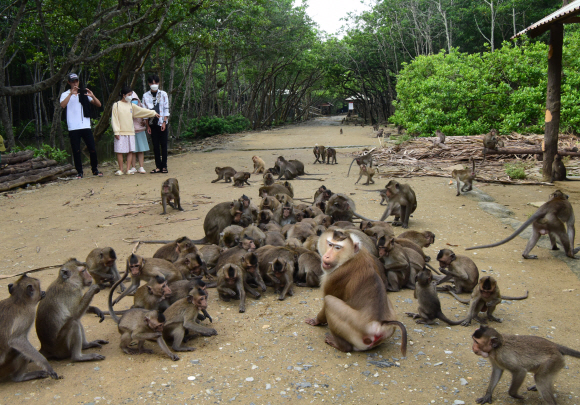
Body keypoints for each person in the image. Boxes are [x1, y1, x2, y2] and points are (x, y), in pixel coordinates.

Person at [59, 73, 102, 179]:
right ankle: (79, 172)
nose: (75, 83)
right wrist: (71, 94)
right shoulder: (65, 94)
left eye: (76, 81)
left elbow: (98, 104)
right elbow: (62, 105)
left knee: (92, 148)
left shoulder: (84, 93)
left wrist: (92, 96)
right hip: (73, 127)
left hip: (86, 125)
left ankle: (95, 169)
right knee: (76, 150)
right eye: (72, 81)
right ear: (69, 82)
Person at [111, 86, 159, 175]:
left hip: (130, 131)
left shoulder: (131, 105)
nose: (130, 97)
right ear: (124, 95)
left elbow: (141, 111)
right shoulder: (116, 105)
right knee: (119, 151)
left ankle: (128, 169)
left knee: (130, 151)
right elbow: (114, 119)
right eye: (129, 95)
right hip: (120, 131)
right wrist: (116, 131)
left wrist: (153, 113)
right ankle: (120, 169)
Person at [142, 74, 170, 174]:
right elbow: (144, 112)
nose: (154, 85)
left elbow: (166, 109)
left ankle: (164, 166)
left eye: (156, 83)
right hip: (152, 123)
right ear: (149, 84)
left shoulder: (163, 94)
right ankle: (158, 166)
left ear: (158, 83)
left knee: (164, 145)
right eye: (152, 83)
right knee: (155, 145)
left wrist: (164, 122)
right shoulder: (145, 96)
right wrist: (147, 126)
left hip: (162, 123)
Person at [128, 91, 150, 174]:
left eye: (135, 99)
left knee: (141, 150)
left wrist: (144, 122)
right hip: (131, 131)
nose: (134, 101)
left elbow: (146, 116)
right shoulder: (127, 108)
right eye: (132, 99)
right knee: (133, 150)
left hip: (140, 131)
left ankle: (141, 167)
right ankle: (133, 167)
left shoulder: (141, 107)